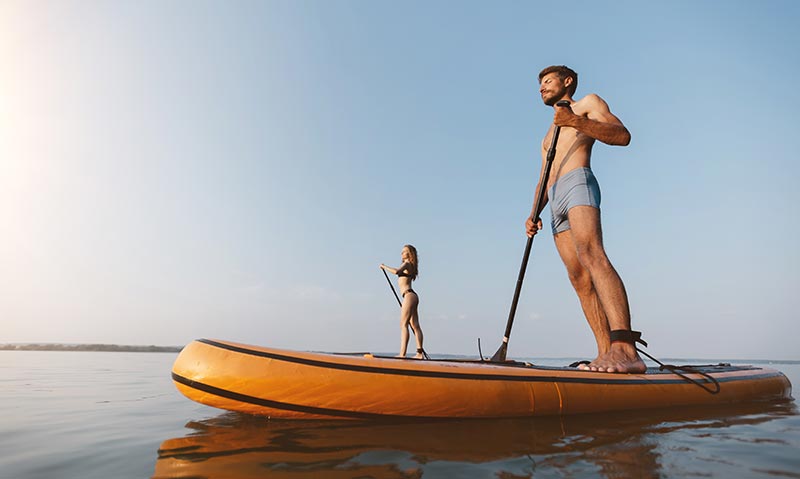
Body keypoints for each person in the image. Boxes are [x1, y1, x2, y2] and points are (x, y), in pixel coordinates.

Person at [526, 65, 645, 373]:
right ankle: (606, 352)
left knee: (593, 255)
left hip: (578, 181)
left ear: (568, 82)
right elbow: (544, 176)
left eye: (548, 81)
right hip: (554, 199)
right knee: (578, 278)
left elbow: (623, 136)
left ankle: (625, 349)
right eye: (540, 84)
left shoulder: (588, 104)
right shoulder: (548, 134)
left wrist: (576, 121)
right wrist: (532, 214)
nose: (542, 88)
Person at [379, 245, 425, 359]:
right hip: (412, 295)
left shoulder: (407, 264)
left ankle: (402, 354)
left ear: (409, 254)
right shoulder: (411, 265)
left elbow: (396, 271)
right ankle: (419, 353)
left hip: (408, 296)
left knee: (403, 324)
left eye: (404, 252)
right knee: (415, 326)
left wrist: (384, 267)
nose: (402, 254)